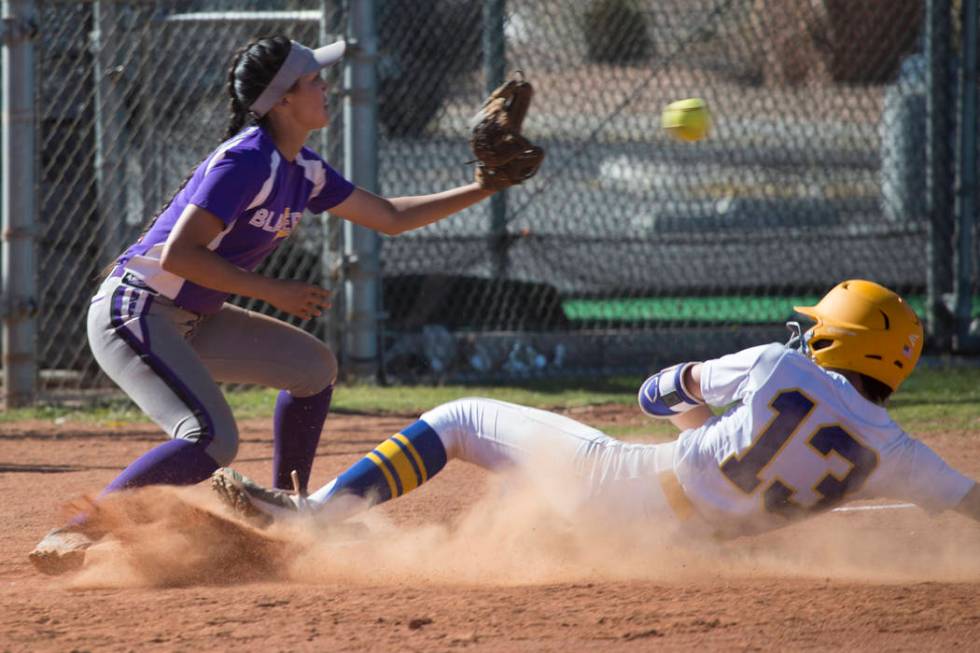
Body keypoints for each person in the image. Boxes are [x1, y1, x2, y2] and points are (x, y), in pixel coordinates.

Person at [30, 35, 537, 573]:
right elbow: (180, 254)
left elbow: (389, 216)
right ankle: (75, 532)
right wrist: (276, 292)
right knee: (211, 439)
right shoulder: (245, 161)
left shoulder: (302, 169)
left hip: (190, 316)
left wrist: (484, 185)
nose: (325, 87)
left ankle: (279, 511)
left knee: (313, 368)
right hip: (134, 310)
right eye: (313, 80)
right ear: (282, 100)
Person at [211, 279, 980, 538]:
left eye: (820, 329)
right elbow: (970, 503)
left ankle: (317, 514)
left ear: (840, 343)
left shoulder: (780, 365)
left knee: (460, 418)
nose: (805, 337)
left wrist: (696, 410)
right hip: (687, 549)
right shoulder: (899, 453)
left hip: (628, 486)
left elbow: (656, 393)